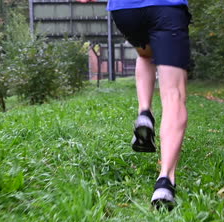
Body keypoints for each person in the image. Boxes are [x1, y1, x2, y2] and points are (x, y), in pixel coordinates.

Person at [79, 0, 191, 210]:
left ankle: (145, 112)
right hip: (166, 8)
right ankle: (165, 181)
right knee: (173, 94)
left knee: (146, 52)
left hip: (126, 11)